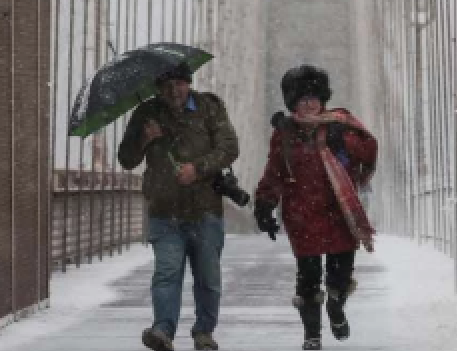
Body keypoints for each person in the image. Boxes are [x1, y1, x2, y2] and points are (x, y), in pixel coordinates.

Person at [253, 65, 378, 350]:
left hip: (338, 213)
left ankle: (335, 308)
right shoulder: (284, 135)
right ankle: (312, 334)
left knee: (341, 274)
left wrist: (344, 140)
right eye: (302, 99)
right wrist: (264, 203)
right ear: (293, 103)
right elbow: (275, 173)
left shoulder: (340, 125)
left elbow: (369, 151)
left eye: (313, 97)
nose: (309, 104)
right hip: (302, 215)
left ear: (323, 99)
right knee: (308, 278)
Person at [118, 62, 240, 351]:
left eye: (180, 83)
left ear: (189, 83)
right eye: (167, 85)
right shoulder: (147, 113)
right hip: (164, 210)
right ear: (158, 88)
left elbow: (229, 147)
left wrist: (197, 169)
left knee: (208, 277)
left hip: (205, 209)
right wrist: (144, 139)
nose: (174, 90)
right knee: (167, 273)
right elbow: (126, 159)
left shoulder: (210, 107)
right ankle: (163, 330)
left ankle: (204, 333)